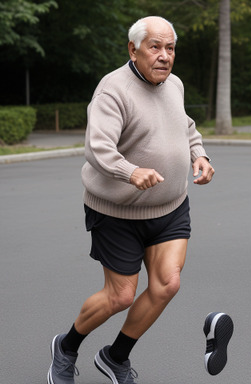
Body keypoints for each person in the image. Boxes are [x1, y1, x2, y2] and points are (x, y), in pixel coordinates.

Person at [47, 15, 215, 384]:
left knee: (167, 284)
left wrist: (199, 155)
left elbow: (185, 126)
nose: (164, 56)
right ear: (133, 49)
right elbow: (98, 148)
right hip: (117, 211)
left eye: (170, 48)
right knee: (120, 296)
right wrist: (130, 171)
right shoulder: (113, 90)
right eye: (155, 47)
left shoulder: (175, 85)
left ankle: (115, 356)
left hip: (170, 207)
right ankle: (67, 346)